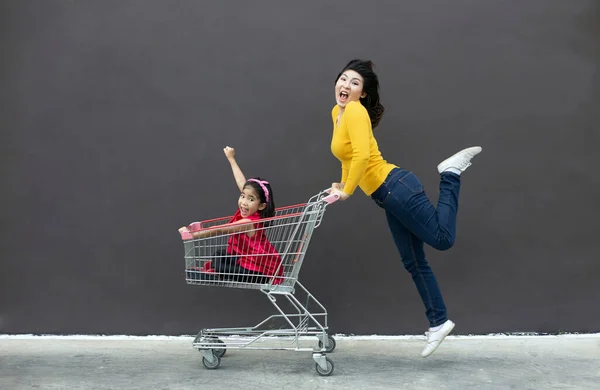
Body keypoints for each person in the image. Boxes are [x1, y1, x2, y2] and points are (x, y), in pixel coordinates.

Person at [327, 59, 482, 357]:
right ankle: (438, 322)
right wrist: (341, 183)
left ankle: (450, 174)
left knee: (442, 239)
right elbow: (348, 158)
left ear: (363, 93)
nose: (345, 86)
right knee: (413, 262)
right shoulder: (338, 112)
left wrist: (347, 191)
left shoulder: (356, 112)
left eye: (354, 83)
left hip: (396, 187)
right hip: (388, 195)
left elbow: (361, 157)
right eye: (343, 79)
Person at [179, 146, 283, 284]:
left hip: (260, 274)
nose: (244, 202)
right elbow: (242, 182)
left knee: (221, 266)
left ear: (261, 206)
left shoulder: (248, 223)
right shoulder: (251, 209)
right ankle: (213, 273)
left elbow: (220, 229)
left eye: (250, 199)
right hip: (247, 262)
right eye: (242, 196)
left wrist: (192, 235)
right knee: (220, 255)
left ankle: (213, 275)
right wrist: (231, 158)